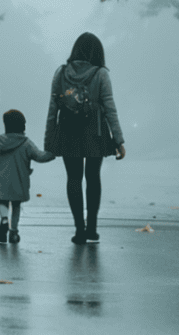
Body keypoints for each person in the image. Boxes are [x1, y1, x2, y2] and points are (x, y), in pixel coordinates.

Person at [45, 32, 125, 245]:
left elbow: (53, 110)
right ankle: (92, 228)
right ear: (97, 52)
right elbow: (110, 108)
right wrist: (118, 140)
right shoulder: (100, 74)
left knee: (73, 178)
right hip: (95, 132)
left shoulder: (61, 73)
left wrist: (49, 141)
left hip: (68, 131)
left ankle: (79, 229)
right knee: (93, 177)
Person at [0, 109, 55, 244]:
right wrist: (53, 153)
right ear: (22, 125)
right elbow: (39, 156)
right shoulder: (25, 143)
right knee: (16, 205)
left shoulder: (0, 143)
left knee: (3, 202)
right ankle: (13, 232)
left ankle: (3, 219)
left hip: (2, 180)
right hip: (18, 181)